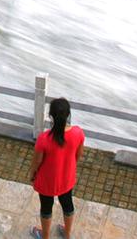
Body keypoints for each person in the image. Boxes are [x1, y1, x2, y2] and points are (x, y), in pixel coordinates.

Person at [28, 97, 85, 239]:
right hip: (66, 178)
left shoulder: (44, 139)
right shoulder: (78, 133)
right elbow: (78, 156)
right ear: (68, 115)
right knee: (68, 204)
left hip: (47, 181)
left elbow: (37, 163)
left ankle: (44, 236)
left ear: (51, 116)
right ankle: (67, 234)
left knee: (46, 208)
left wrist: (32, 175)